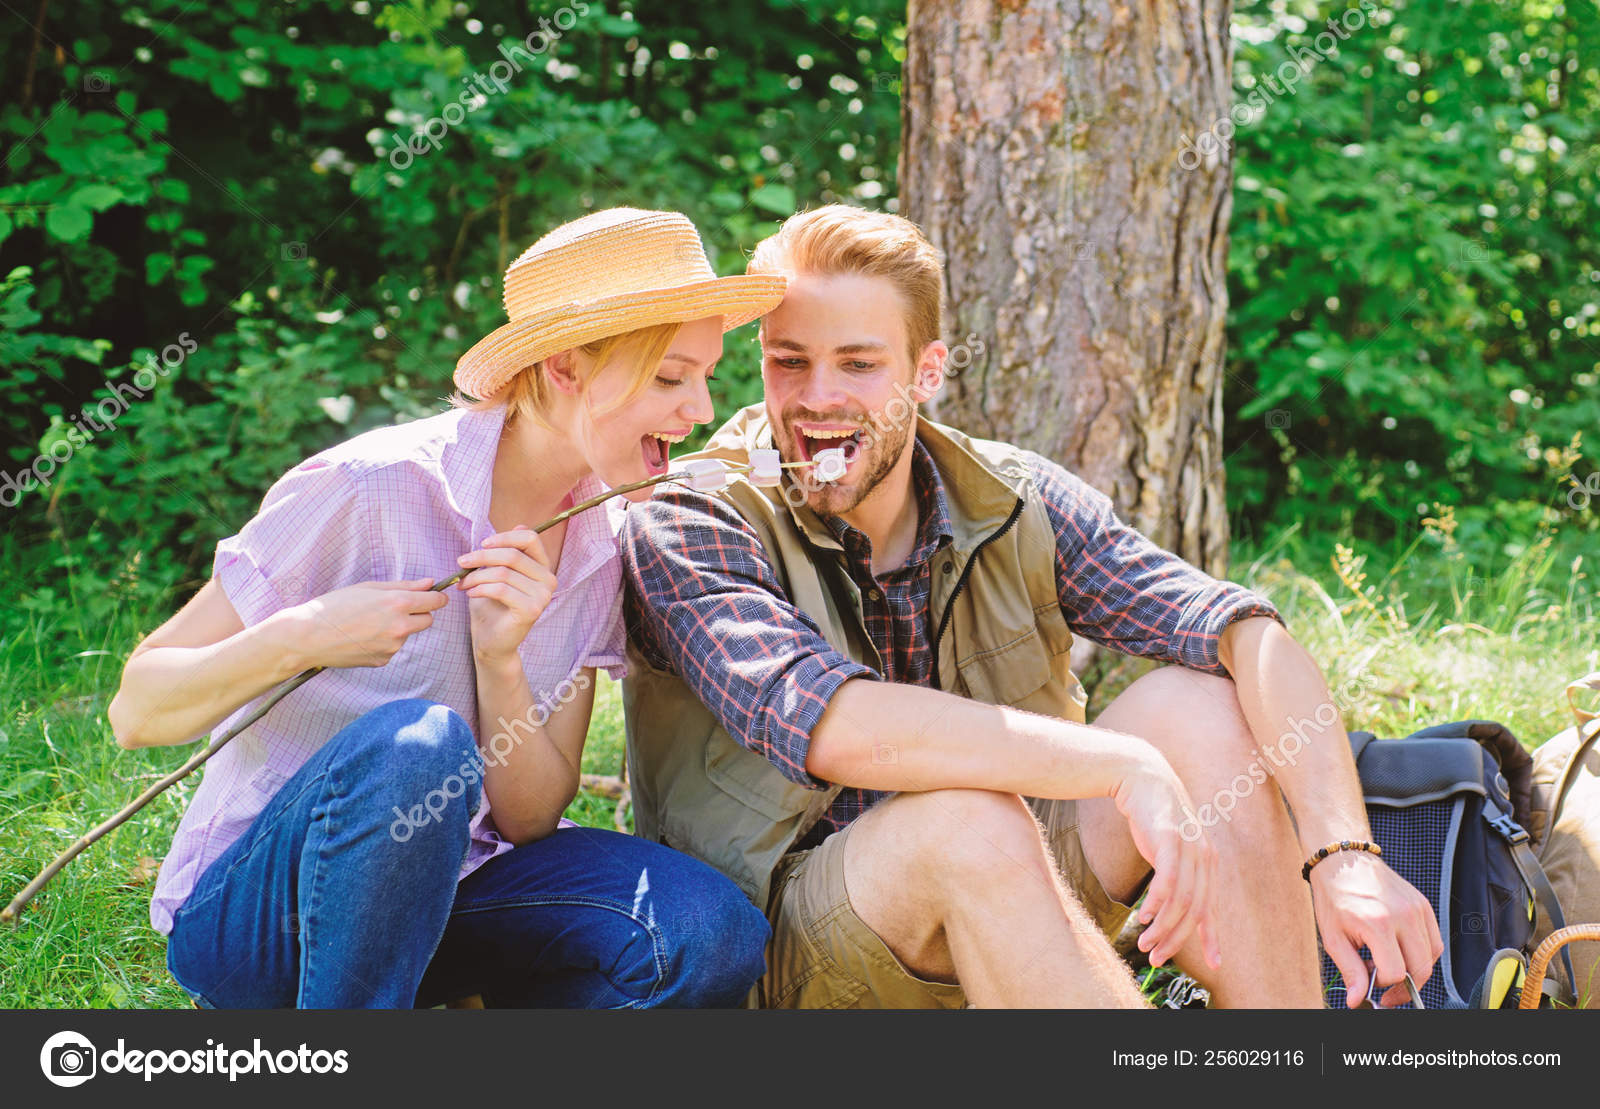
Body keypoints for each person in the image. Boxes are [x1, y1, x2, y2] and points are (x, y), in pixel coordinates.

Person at [619, 204, 1444, 1008]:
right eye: (789, 361)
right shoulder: (689, 515)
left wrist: (1345, 852)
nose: (817, 397)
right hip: (793, 948)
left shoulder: (1011, 496)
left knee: (1200, 709)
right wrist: (1121, 765)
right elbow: (833, 724)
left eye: (859, 364)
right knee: (967, 820)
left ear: (927, 372)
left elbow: (1243, 629)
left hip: (1024, 892)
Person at [109, 207, 786, 1008]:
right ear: (565, 367)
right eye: (671, 378)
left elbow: (530, 821)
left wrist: (501, 659)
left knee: (709, 933)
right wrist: (306, 634)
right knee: (420, 746)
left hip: (455, 899)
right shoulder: (367, 485)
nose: (700, 408)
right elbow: (138, 708)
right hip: (263, 922)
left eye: (706, 376)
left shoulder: (602, 540)